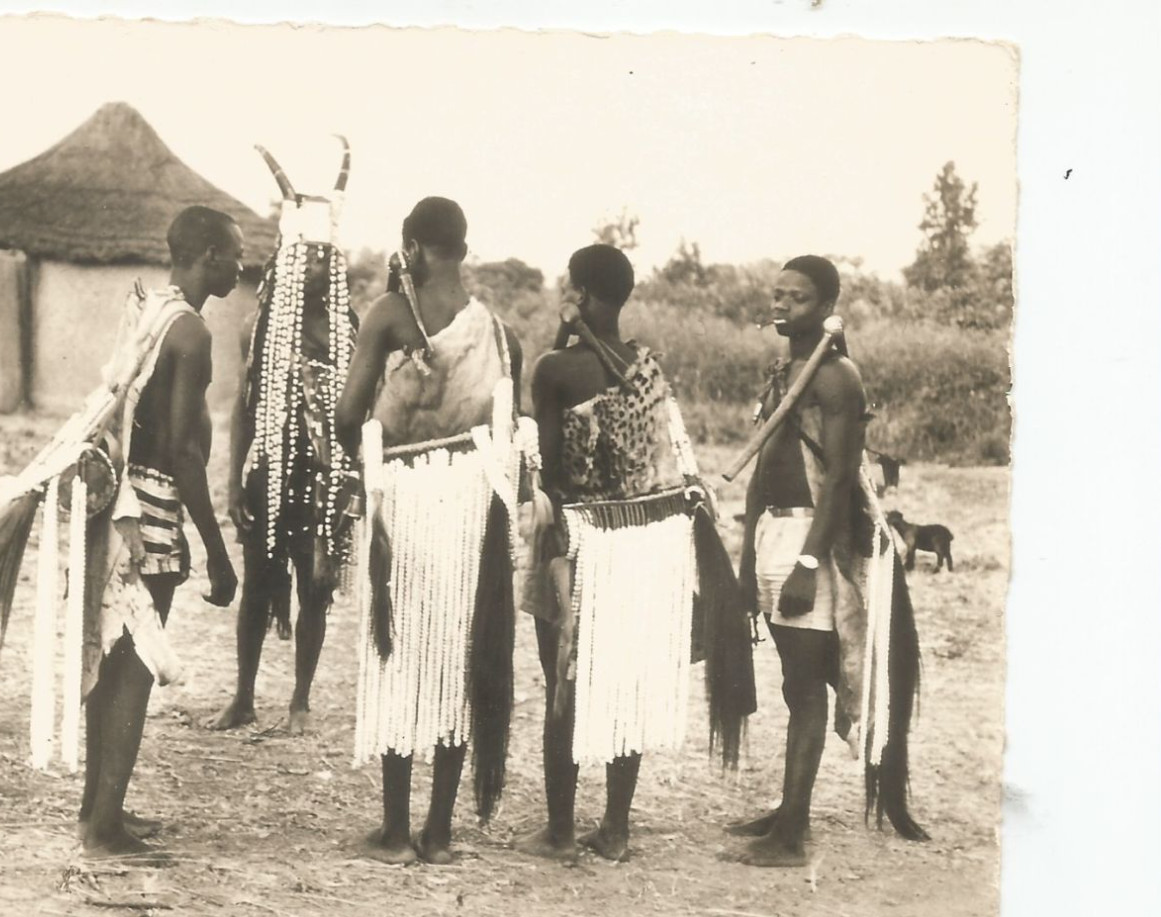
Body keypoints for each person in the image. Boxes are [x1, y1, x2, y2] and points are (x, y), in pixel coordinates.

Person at [516, 245, 754, 862]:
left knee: (562, 686)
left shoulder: (553, 369)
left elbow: (543, 467)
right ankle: (616, 831)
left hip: (574, 540)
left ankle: (562, 832)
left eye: (567, 287)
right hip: (641, 542)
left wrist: (558, 338)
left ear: (584, 298)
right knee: (626, 683)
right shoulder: (649, 369)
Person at [336, 196, 525, 865]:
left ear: (411, 249)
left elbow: (346, 414)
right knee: (457, 655)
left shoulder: (390, 314)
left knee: (397, 654)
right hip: (473, 507)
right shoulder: (501, 335)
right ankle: (439, 831)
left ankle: (393, 831)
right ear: (463, 251)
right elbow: (508, 432)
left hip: (406, 503)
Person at [728, 254, 927, 866]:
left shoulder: (837, 376)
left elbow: (839, 477)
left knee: (809, 688)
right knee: (794, 682)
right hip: (771, 536)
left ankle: (792, 833)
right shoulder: (784, 370)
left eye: (798, 297)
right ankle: (788, 809)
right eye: (778, 295)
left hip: (810, 544)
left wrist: (809, 565)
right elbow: (765, 474)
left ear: (827, 304)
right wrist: (745, 556)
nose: (782, 305)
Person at [76, 206, 242, 857]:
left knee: (114, 661)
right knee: (135, 666)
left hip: (117, 504)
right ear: (204, 254)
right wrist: (217, 551)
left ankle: (100, 807)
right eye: (231, 253)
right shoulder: (191, 332)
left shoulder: (154, 312)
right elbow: (182, 454)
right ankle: (102, 824)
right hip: (151, 509)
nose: (238, 265)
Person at [210, 143, 358, 736]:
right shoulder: (262, 326)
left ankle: (299, 700)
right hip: (269, 474)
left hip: (324, 481)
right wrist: (233, 482)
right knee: (257, 586)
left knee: (314, 586)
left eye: (327, 255)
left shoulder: (350, 329)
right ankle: (243, 695)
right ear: (291, 260)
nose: (320, 265)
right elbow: (243, 409)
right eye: (309, 255)